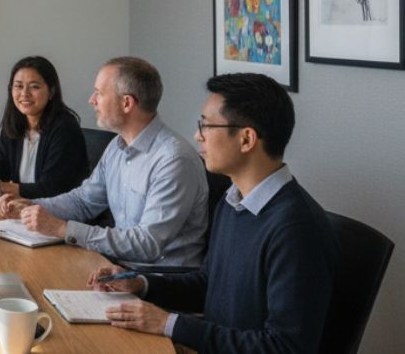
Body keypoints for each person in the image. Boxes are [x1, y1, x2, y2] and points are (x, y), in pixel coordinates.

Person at [91, 73, 338, 353]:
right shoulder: (233, 201)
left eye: (206, 125)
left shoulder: (295, 229)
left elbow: (285, 347)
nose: (197, 135)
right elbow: (208, 283)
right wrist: (140, 283)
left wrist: (169, 324)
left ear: (246, 139)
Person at [0, 57, 208, 270]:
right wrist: (31, 206)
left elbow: (148, 244)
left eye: (99, 93)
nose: (92, 100)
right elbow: (83, 201)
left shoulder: (173, 160)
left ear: (126, 103)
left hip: (161, 281)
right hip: (119, 268)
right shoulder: (117, 146)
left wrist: (64, 229)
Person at [0, 56, 88, 199]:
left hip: (56, 213)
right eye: (18, 86)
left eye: (34, 87)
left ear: (51, 92)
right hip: (22, 208)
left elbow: (51, 188)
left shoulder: (65, 127)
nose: (24, 94)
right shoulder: (14, 122)